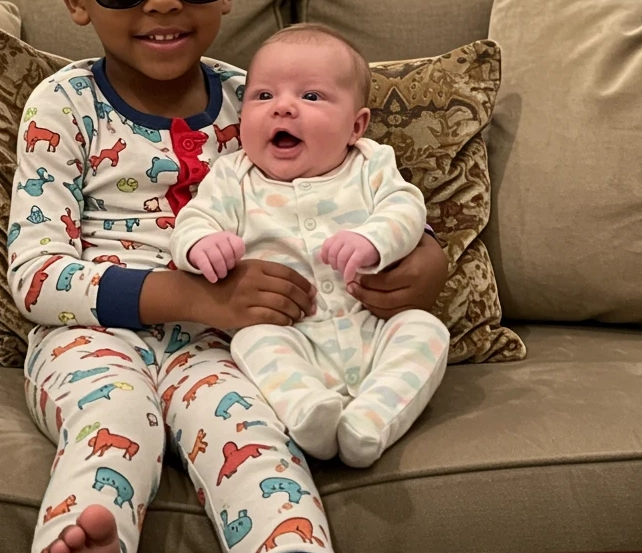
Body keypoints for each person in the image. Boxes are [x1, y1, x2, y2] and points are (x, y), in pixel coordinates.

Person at [7, 0, 449, 553]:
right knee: (116, 422)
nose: (162, 0)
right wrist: (195, 299)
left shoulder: (267, 102)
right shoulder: (63, 105)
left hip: (228, 351)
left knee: (258, 444)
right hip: (92, 340)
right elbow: (36, 277)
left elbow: (355, 188)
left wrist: (426, 260)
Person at [170, 25, 451, 468]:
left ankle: (371, 421)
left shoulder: (370, 164)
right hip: (290, 333)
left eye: (311, 97)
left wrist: (372, 240)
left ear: (355, 125)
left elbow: (406, 208)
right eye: (262, 96)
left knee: (426, 330)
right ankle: (308, 414)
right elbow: (194, 220)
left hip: (371, 329)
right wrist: (203, 244)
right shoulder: (233, 176)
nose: (282, 107)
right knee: (253, 341)